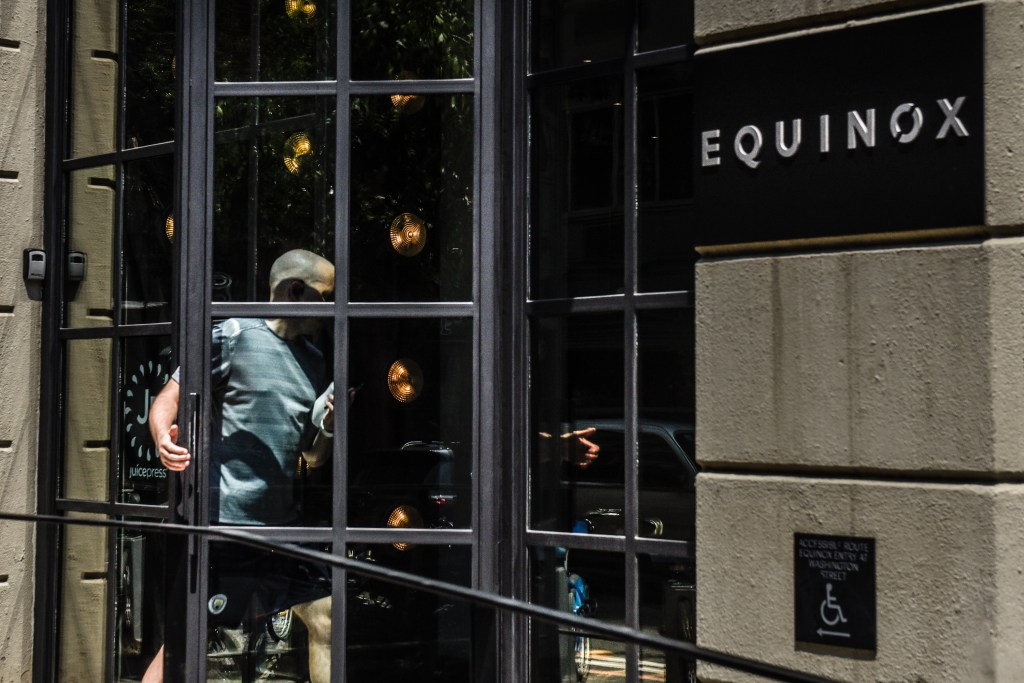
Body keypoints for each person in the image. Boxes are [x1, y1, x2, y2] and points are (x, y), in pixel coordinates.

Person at [142, 249, 336, 683]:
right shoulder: (232, 335)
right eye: (326, 298)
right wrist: (161, 436)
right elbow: (167, 400)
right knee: (182, 644)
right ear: (295, 291)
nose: (333, 309)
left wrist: (329, 422)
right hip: (227, 527)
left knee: (326, 616)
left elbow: (311, 456)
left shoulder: (314, 359)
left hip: (283, 528)